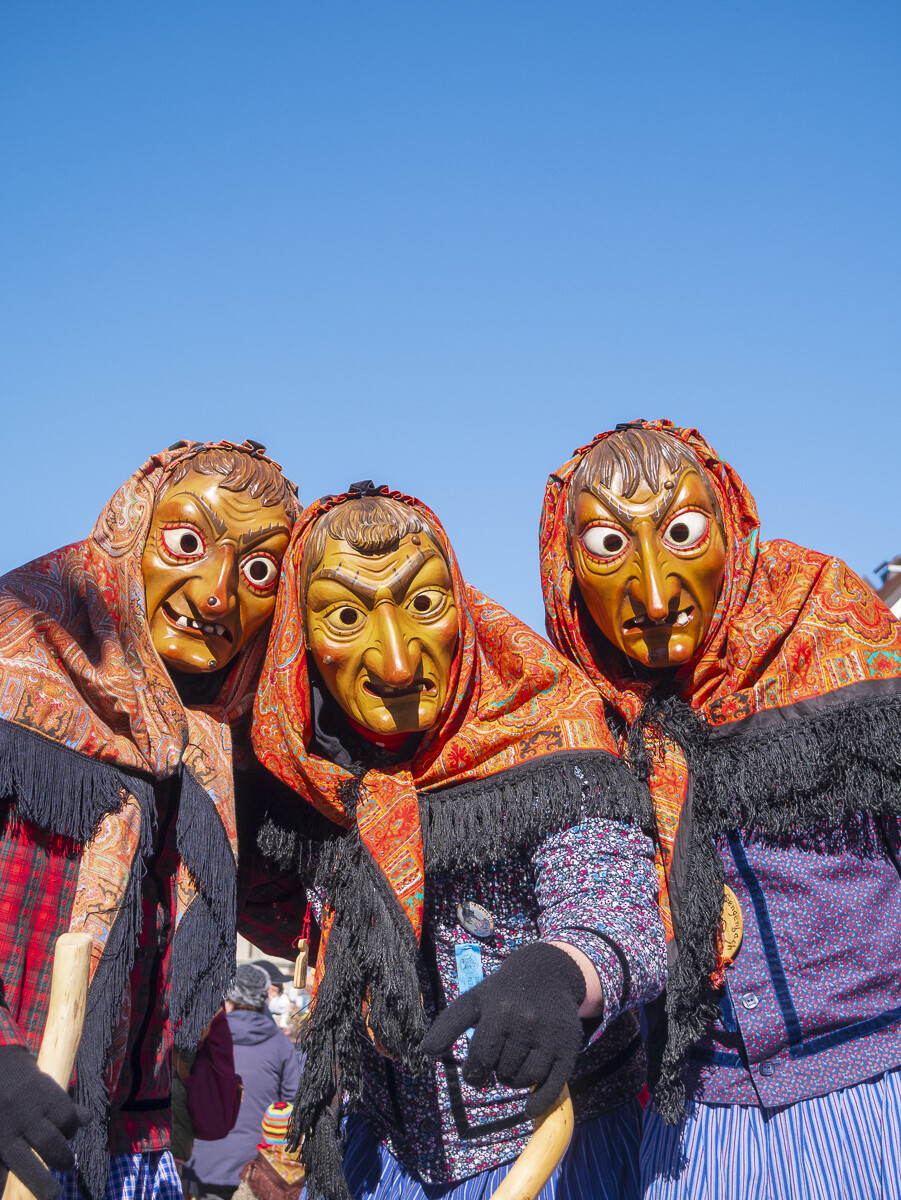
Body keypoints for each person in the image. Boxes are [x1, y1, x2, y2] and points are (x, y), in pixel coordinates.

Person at [249, 482, 667, 1200]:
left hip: (552, 1156)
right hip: (383, 1158)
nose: (397, 661)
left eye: (423, 605)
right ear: (302, 641)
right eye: (346, 617)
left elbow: (615, 902)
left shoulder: (547, 731)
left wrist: (559, 972)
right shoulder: (309, 780)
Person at [539, 420, 901, 1200]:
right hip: (702, 1127)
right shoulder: (580, 724)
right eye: (606, 548)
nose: (653, 592)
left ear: (727, 529)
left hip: (879, 1094)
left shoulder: (829, 634)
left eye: (681, 535)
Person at [0, 440, 300, 1200]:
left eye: (259, 572)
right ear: (131, 534)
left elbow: (291, 915)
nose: (216, 595)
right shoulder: (14, 660)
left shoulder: (221, 755)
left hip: (138, 1151)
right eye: (188, 543)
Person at [185, 964, 302, 1200]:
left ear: (230, 997)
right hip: (258, 1163)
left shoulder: (208, 1038)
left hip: (208, 1156)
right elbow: (293, 1103)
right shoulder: (281, 1045)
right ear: (264, 998)